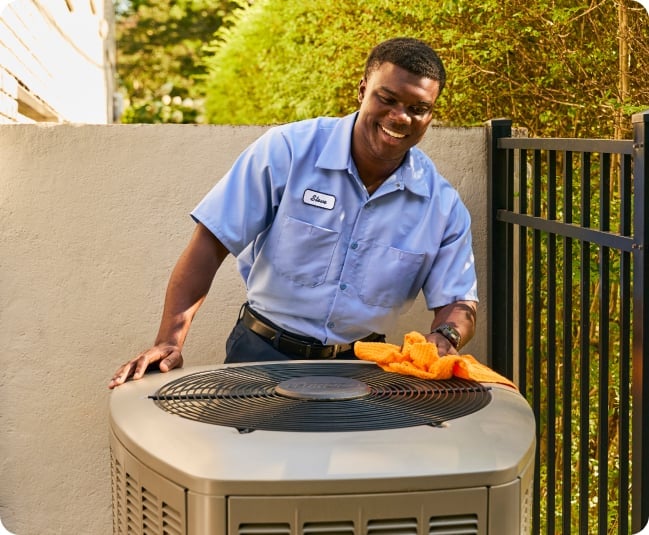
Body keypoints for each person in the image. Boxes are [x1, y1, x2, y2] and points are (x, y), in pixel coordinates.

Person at [108, 37, 478, 389]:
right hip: (260, 354)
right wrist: (170, 340)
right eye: (387, 98)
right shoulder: (287, 151)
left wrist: (445, 336)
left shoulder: (441, 206)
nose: (401, 117)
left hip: (364, 369)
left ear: (430, 114)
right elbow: (212, 241)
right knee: (247, 457)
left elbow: (458, 301)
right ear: (363, 90)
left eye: (418, 109)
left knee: (348, 457)